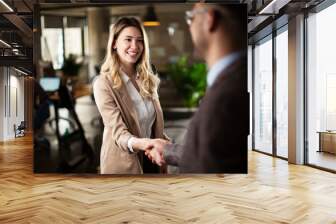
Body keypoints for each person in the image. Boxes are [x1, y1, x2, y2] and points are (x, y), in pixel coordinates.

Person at [145, 3, 249, 173]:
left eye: (191, 18)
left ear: (210, 19)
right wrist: (167, 150)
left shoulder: (226, 98)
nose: (189, 26)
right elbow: (213, 152)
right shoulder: (234, 80)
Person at [93, 17, 169, 174]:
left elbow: (152, 126)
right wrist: (148, 144)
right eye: (128, 39)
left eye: (140, 40)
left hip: (152, 160)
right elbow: (119, 134)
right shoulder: (103, 84)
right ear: (114, 43)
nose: (135, 46)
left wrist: (166, 146)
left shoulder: (148, 79)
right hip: (124, 166)